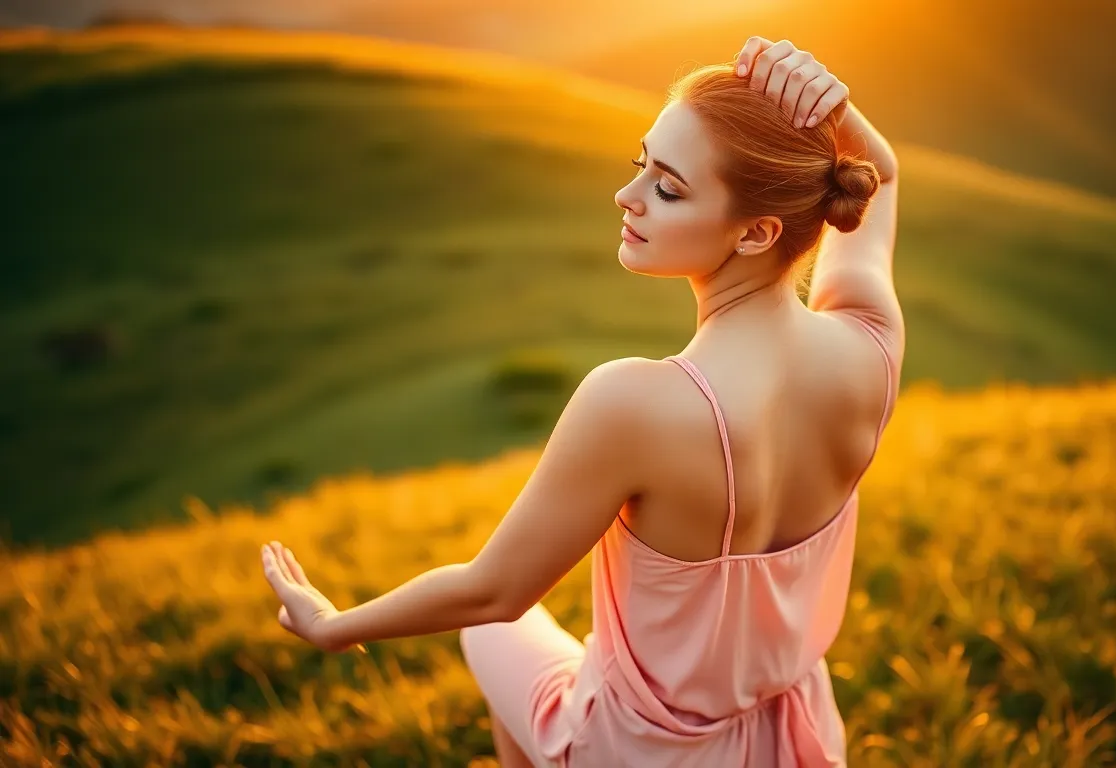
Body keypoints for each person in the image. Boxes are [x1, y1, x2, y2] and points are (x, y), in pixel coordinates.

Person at [259, 35, 904, 767]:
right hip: (798, 739)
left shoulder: (635, 402)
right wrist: (836, 110)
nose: (627, 197)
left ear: (757, 231)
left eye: (668, 186)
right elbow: (878, 174)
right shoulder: (871, 343)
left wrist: (334, 625)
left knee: (495, 632)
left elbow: (491, 592)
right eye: (641, 166)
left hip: (644, 753)